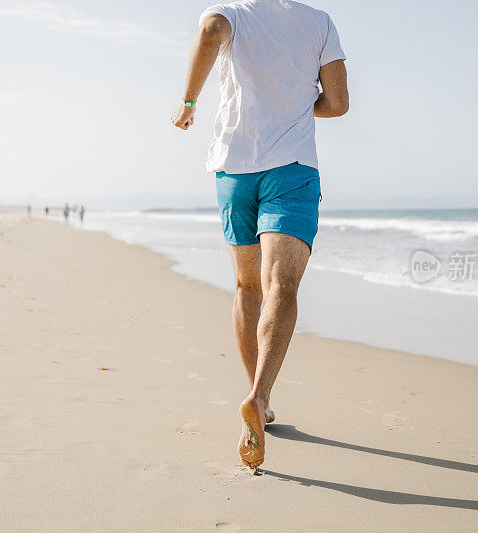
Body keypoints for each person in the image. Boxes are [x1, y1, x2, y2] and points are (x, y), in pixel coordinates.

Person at [171, 0, 348, 468]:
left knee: (248, 285)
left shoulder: (233, 13)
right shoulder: (319, 22)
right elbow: (339, 103)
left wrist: (189, 102)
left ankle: (260, 404)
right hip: (291, 170)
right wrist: (292, 103)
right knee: (281, 287)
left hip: (235, 169)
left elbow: (210, 29)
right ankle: (259, 393)